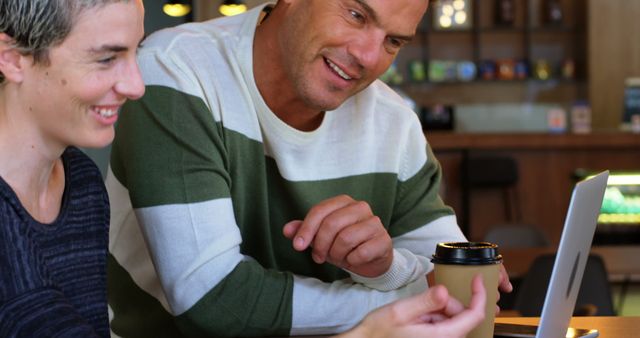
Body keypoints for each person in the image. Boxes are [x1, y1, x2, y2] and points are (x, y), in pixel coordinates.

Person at [106, 0, 511, 336]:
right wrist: (407, 301)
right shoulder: (177, 70)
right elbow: (214, 302)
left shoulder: (393, 121)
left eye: (393, 41)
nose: (368, 57)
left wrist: (387, 269)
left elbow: (462, 280)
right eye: (356, 14)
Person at [0, 0, 145, 336]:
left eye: (135, 53)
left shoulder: (81, 182)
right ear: (12, 58)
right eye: (107, 59)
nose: (136, 87)